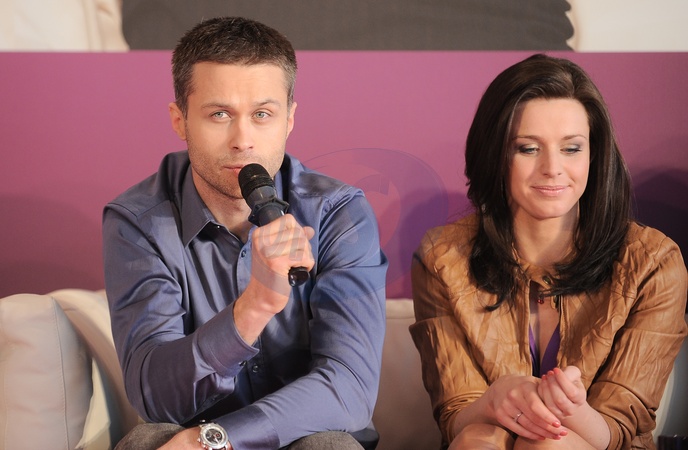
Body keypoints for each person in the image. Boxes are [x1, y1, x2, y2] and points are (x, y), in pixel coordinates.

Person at [102, 17, 387, 450]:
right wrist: (254, 307)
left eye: (262, 115)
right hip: (188, 430)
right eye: (220, 114)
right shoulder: (138, 221)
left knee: (328, 446)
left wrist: (221, 437)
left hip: (296, 436)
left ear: (289, 119)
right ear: (180, 120)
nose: (243, 140)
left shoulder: (338, 214)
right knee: (148, 440)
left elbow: (349, 388)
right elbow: (156, 397)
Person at [410, 54, 687, 450]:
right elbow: (455, 416)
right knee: (479, 439)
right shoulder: (442, 258)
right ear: (495, 155)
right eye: (528, 148)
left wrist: (570, 407)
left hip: (596, 441)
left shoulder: (653, 263)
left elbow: (618, 433)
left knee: (547, 445)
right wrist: (493, 401)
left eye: (571, 148)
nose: (552, 168)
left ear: (594, 154)